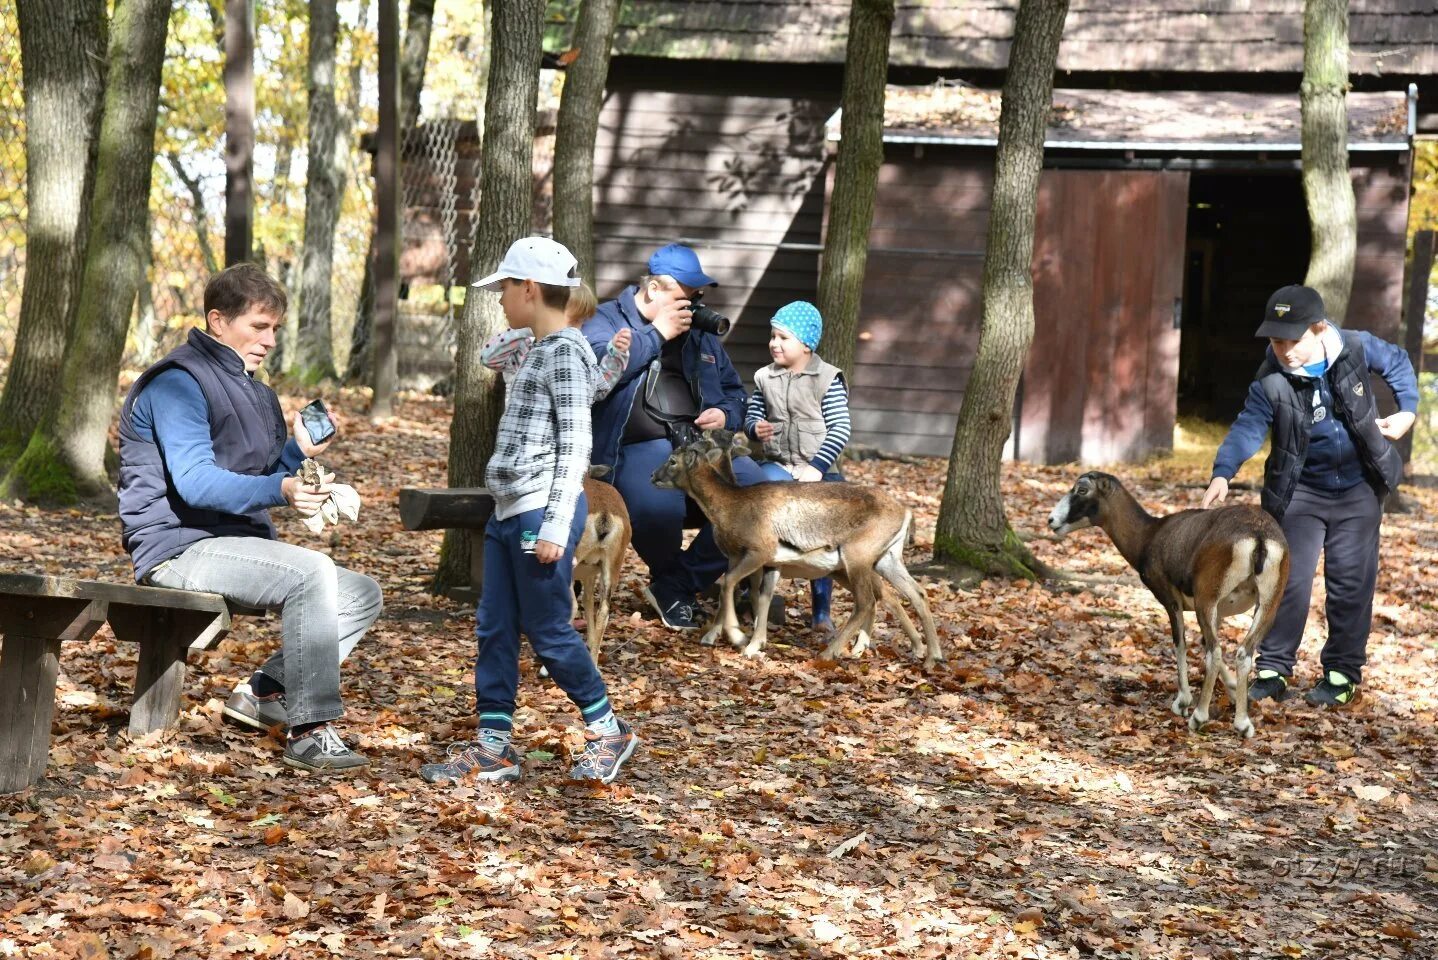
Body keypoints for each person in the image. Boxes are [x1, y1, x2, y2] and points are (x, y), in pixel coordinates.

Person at [117, 263, 382, 773]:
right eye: (259, 326)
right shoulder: (177, 383)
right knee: (313, 572)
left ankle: (265, 692)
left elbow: (251, 480)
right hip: (176, 546)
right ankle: (310, 732)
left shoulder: (255, 390)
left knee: (360, 592)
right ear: (217, 321)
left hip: (229, 539)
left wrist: (293, 456)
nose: (270, 339)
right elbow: (195, 482)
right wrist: (280, 489)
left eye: (276, 328)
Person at [420, 237, 639, 785]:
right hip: (507, 511)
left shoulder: (565, 351)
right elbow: (495, 354)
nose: (498, 300)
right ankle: (493, 747)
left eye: (504, 289)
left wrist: (555, 522)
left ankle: (609, 730)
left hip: (541, 510)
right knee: (494, 626)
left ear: (530, 288)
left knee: (548, 630)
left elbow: (577, 442)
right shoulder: (538, 348)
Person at [1201, 284, 1417, 707]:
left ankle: (1341, 673)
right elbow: (1248, 427)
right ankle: (1273, 669)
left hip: (1359, 490)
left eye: (1292, 340)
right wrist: (1224, 472)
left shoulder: (1355, 347)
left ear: (1318, 329)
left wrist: (1407, 410)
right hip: (1300, 493)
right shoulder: (1270, 380)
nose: (1283, 350)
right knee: (1288, 582)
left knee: (1351, 584)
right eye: (1275, 341)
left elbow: (1399, 363)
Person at [583, 243, 767, 631]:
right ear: (653, 290)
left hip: (701, 445)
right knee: (657, 509)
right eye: (686, 297)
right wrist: (656, 334)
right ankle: (672, 583)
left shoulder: (701, 336)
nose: (694, 306)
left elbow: (736, 392)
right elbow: (600, 373)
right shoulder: (605, 320)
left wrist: (726, 414)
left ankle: (675, 585)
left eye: (698, 297)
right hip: (632, 446)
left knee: (759, 497)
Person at [743, 301, 852, 634]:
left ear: (806, 344)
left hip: (819, 471)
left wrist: (817, 467)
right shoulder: (765, 377)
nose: (774, 343)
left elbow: (841, 428)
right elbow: (752, 415)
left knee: (825, 536)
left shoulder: (826, 379)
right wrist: (754, 428)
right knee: (758, 511)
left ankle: (821, 613)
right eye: (772, 336)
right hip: (779, 467)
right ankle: (753, 593)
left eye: (783, 338)